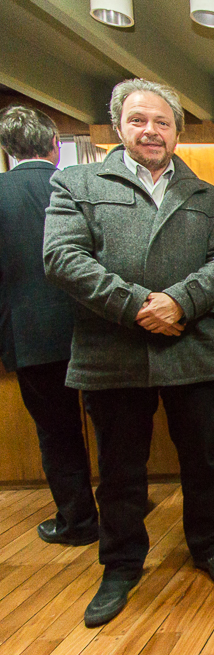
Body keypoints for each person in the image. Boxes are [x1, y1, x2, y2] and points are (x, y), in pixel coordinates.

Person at [44, 78, 214, 628]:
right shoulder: (77, 182)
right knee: (119, 468)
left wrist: (179, 302)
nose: (151, 131)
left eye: (162, 122)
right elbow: (62, 257)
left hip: (191, 347)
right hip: (113, 351)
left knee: (203, 459)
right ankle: (120, 564)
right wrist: (137, 305)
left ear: (178, 131)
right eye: (139, 120)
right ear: (119, 126)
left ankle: (211, 545)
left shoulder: (208, 196)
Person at [0, 105, 99, 547]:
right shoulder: (84, 187)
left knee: (57, 434)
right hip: (96, 327)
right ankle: (122, 507)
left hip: (30, 335)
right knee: (114, 426)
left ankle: (78, 522)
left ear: (6, 150)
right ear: (56, 147)